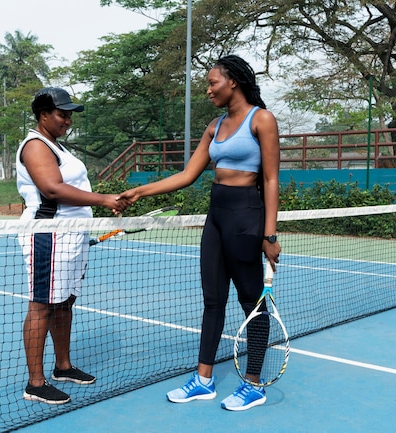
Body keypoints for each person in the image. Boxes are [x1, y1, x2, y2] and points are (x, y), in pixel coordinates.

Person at [118, 55, 282, 411]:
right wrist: (140, 191)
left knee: (251, 302)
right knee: (212, 300)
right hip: (216, 218)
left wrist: (269, 236)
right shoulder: (214, 126)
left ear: (233, 82)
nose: (208, 90)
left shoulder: (262, 119)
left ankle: (253, 384)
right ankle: (203, 380)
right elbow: (187, 175)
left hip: (246, 217)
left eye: (212, 83)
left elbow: (270, 179)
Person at [16, 87, 130, 404]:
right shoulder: (36, 146)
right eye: (61, 113)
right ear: (43, 116)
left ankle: (63, 367)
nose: (67, 119)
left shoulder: (58, 146)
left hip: (73, 233)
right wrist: (105, 199)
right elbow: (52, 189)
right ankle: (35, 384)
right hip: (49, 233)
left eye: (69, 114)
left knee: (64, 301)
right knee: (42, 304)